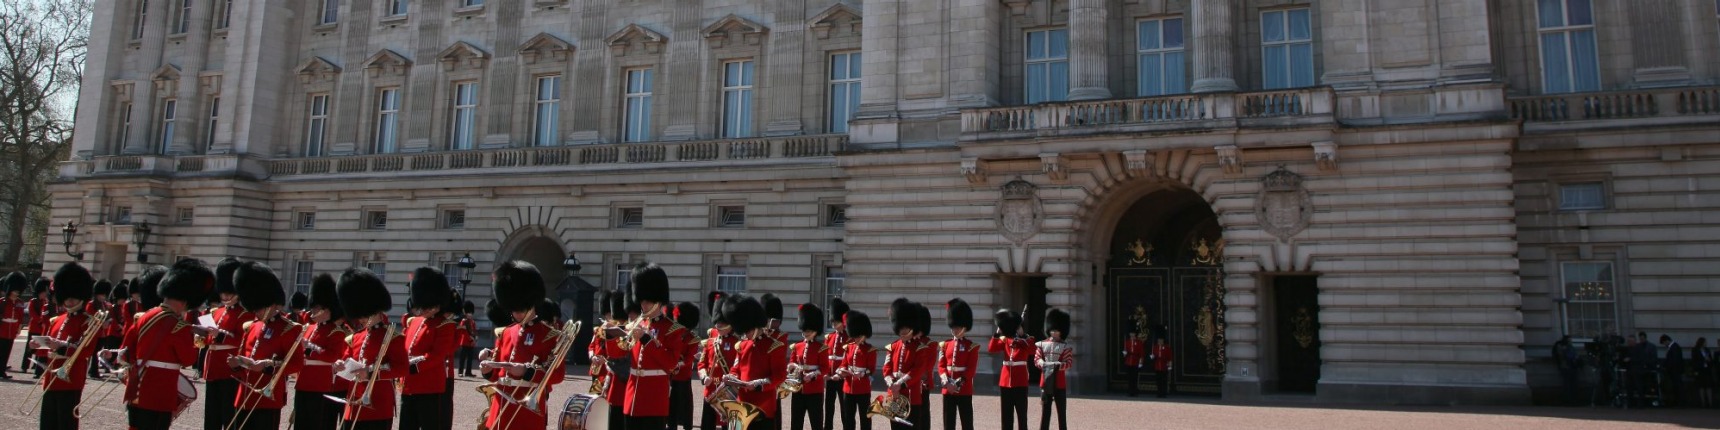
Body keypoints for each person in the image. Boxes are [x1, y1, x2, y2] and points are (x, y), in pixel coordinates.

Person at [113, 261, 210, 430]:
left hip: (137, 388)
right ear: (186, 300)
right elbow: (188, 359)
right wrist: (196, 338)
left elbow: (127, 350)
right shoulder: (179, 326)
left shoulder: (144, 317)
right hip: (160, 392)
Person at [478, 261, 567, 430]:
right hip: (500, 406)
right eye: (513, 309)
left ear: (532, 303)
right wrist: (487, 370)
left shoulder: (549, 335)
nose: (516, 313)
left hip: (526, 409)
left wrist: (527, 372)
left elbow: (558, 375)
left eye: (520, 309)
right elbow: (498, 373)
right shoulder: (506, 332)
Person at [227, 262, 304, 430]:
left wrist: (268, 366)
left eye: (260, 309)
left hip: (268, 396)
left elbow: (297, 363)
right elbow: (243, 356)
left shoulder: (289, 328)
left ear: (271, 303)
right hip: (244, 395)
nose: (257, 313)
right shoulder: (251, 326)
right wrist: (236, 364)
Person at [333, 267, 409, 430]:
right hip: (353, 404)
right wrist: (339, 365)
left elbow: (402, 368)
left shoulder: (393, 338)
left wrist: (370, 372)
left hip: (377, 405)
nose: (360, 319)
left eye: (364, 314)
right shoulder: (354, 338)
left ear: (376, 310)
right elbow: (346, 360)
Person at [623, 263, 690, 430]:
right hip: (632, 396)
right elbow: (618, 352)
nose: (643, 305)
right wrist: (610, 336)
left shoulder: (672, 329)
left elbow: (671, 363)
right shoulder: (637, 324)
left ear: (658, 301)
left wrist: (647, 339)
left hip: (654, 399)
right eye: (642, 301)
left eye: (647, 301)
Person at [32, 263, 96, 430]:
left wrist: (61, 346)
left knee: (66, 424)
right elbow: (50, 344)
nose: (69, 300)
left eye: (73, 296)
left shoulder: (87, 321)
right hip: (51, 378)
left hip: (71, 380)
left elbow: (85, 349)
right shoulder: (58, 320)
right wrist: (38, 344)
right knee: (48, 423)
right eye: (66, 296)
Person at [397, 267, 458, 430]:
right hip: (408, 387)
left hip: (429, 387)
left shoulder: (445, 325)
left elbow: (437, 355)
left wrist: (412, 367)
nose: (423, 310)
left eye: (427, 306)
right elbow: (405, 349)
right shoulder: (413, 322)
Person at [203, 258, 255, 430]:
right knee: (211, 416)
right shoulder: (215, 313)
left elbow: (244, 341)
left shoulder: (245, 314)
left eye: (228, 293)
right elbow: (209, 341)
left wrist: (221, 336)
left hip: (230, 369)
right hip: (212, 368)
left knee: (229, 414)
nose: (224, 296)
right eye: (223, 293)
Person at [294, 274, 351, 430]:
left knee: (318, 423)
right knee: (301, 422)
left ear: (327, 309)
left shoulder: (335, 332)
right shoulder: (308, 328)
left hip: (321, 383)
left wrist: (310, 348)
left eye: (317, 307)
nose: (313, 310)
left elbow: (331, 356)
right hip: (303, 381)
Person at [987, 310, 1033, 430]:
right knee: (1006, 415)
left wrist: (1023, 336)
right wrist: (997, 333)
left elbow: (1032, 350)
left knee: (1021, 415)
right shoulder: (1004, 340)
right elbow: (991, 348)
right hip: (1005, 381)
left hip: (1020, 381)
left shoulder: (1027, 340)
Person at [591, 291, 630, 429]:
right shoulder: (604, 329)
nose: (608, 316)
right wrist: (593, 356)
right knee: (596, 402)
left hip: (611, 374)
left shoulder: (621, 330)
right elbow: (594, 346)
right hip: (601, 372)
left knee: (613, 410)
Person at [698, 292, 738, 430]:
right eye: (718, 323)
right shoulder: (711, 339)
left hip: (727, 391)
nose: (719, 326)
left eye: (722, 323)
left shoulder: (738, 342)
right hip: (710, 390)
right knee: (707, 425)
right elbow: (702, 363)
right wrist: (704, 377)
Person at [938, 299, 978, 430]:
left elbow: (971, 369)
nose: (955, 329)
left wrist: (957, 383)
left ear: (964, 327)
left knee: (967, 423)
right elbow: (941, 366)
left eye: (957, 327)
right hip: (947, 388)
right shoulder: (945, 345)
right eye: (953, 326)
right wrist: (946, 381)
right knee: (948, 424)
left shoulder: (971, 346)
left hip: (963, 389)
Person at [789, 303, 828, 430]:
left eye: (808, 331)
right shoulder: (797, 346)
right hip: (798, 390)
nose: (805, 333)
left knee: (816, 423)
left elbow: (824, 368)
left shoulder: (821, 348)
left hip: (814, 391)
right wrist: (792, 367)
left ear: (815, 331)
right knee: (796, 423)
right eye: (804, 330)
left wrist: (812, 375)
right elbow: (791, 362)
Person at [835, 310, 875, 430]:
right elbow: (843, 364)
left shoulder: (870, 350)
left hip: (863, 388)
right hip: (848, 388)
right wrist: (841, 371)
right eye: (855, 336)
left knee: (865, 418)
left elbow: (871, 370)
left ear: (864, 335)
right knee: (848, 418)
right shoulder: (849, 347)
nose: (856, 339)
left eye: (858, 336)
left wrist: (862, 374)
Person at [1036, 308, 1073, 430]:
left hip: (1059, 383)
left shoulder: (1065, 346)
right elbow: (1036, 360)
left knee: (1061, 413)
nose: (1054, 333)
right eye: (1052, 330)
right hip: (1046, 382)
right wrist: (1044, 364)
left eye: (1056, 331)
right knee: (1045, 412)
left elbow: (1068, 363)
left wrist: (1056, 365)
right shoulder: (1042, 344)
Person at [670, 301, 701, 430]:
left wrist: (676, 364)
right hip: (671, 377)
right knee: (671, 406)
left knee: (685, 405)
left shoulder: (693, 338)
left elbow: (689, 359)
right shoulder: (673, 336)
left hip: (684, 377)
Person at [822, 298, 850, 430]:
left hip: (842, 378)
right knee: (828, 409)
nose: (834, 324)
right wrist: (826, 373)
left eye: (836, 321)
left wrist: (839, 374)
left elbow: (848, 359)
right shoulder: (829, 337)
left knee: (845, 409)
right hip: (830, 378)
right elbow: (825, 357)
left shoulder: (849, 338)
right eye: (833, 321)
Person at [762, 293, 788, 430]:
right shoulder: (761, 334)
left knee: (774, 408)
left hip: (774, 375)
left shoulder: (781, 336)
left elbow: (778, 352)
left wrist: (769, 333)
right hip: (761, 374)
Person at [26, 277, 56, 378]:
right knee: (41, 352)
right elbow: (43, 318)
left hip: (52, 332)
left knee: (47, 353)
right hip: (44, 330)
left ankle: (43, 371)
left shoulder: (54, 305)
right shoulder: (46, 306)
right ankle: (36, 371)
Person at [0, 272, 25, 380]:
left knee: (7, 352)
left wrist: (19, 328)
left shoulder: (20, 302)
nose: (16, 293)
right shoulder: (2, 301)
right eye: (15, 290)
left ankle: (2, 371)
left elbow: (20, 317)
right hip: (2, 329)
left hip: (11, 331)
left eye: (18, 291)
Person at [1553, 335, 1581, 406]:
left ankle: (1573, 400)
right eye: (1569, 340)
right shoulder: (1561, 346)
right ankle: (1568, 400)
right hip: (1566, 367)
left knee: (1572, 384)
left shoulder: (1570, 347)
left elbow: (1575, 355)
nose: (1570, 341)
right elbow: (1562, 356)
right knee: (1567, 385)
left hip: (1571, 367)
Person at [1122, 323, 1147, 397]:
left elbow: (1141, 353)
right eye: (1131, 334)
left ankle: (1135, 391)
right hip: (1129, 361)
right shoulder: (1127, 342)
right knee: (1129, 378)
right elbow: (1125, 352)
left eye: (1133, 334)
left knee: (1135, 377)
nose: (1132, 335)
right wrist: (1124, 353)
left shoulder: (1139, 343)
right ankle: (1130, 391)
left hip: (1136, 361)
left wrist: (1140, 362)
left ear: (1135, 335)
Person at [1662, 334, 1684, 407]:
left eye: (1664, 343)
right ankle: (1678, 401)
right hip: (1674, 370)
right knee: (1676, 386)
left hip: (1675, 371)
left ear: (1666, 341)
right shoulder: (1674, 347)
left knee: (1677, 386)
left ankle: (1680, 402)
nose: (1664, 345)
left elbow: (1674, 360)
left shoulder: (1674, 347)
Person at [457, 301, 478, 377]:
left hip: (471, 344)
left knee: (470, 359)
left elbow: (474, 331)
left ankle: (468, 372)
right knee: (462, 359)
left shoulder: (472, 322)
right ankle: (460, 372)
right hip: (465, 342)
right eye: (468, 313)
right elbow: (463, 332)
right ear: (466, 313)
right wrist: (471, 338)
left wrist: (475, 338)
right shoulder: (464, 321)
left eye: (471, 313)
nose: (470, 314)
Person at [1692, 337, 1713, 408]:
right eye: (1705, 342)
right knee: (1701, 387)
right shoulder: (1695, 350)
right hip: (1700, 370)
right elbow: (1694, 361)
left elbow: (1711, 360)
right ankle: (1703, 402)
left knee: (1708, 386)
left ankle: (1710, 403)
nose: (1706, 343)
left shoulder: (1707, 350)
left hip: (1707, 370)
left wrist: (1709, 360)